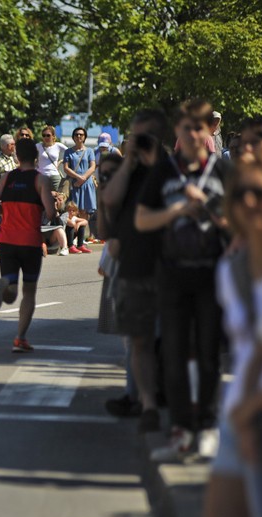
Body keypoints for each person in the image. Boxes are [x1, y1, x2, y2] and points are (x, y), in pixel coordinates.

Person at [136, 100, 230, 460]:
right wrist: (177, 208)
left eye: (200, 128)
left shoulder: (221, 172)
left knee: (208, 354)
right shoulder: (164, 171)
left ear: (209, 133)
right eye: (187, 128)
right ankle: (180, 430)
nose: (193, 134)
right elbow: (143, 220)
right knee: (173, 356)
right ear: (177, 132)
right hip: (172, 275)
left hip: (210, 274)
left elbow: (237, 225)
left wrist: (203, 205)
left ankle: (206, 427)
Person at [203, 156, 262, 517]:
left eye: (260, 192)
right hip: (243, 415)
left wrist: (250, 413)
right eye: (240, 194)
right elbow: (259, 347)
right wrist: (242, 416)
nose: (249, 202)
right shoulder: (231, 270)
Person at [101, 109, 168, 430]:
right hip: (134, 267)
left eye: (144, 135)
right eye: (134, 135)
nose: (137, 141)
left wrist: (155, 159)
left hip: (168, 269)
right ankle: (148, 404)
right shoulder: (129, 171)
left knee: (167, 340)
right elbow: (110, 200)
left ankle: (165, 398)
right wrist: (128, 161)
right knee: (139, 340)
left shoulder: (170, 169)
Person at [0, 138, 57, 352]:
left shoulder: (7, 177)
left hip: (7, 240)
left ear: (17, 157)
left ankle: (6, 283)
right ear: (36, 158)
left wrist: (5, 211)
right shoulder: (40, 180)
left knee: (11, 291)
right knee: (29, 292)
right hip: (30, 242)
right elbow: (51, 213)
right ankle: (20, 337)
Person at [64, 127, 97, 245]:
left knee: (84, 211)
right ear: (73, 137)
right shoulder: (68, 151)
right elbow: (66, 168)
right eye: (77, 134)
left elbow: (92, 166)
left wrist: (83, 178)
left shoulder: (89, 151)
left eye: (81, 135)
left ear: (85, 137)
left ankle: (81, 238)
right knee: (74, 210)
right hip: (75, 183)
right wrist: (78, 177)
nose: (79, 136)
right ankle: (73, 237)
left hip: (86, 183)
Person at [36, 125, 68, 193]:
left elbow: (71, 153)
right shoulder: (38, 146)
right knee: (40, 196)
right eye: (43, 135)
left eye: (48, 135)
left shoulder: (58, 145)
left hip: (54, 175)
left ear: (53, 136)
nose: (46, 137)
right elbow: (28, 155)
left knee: (58, 197)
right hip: (41, 175)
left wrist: (61, 161)